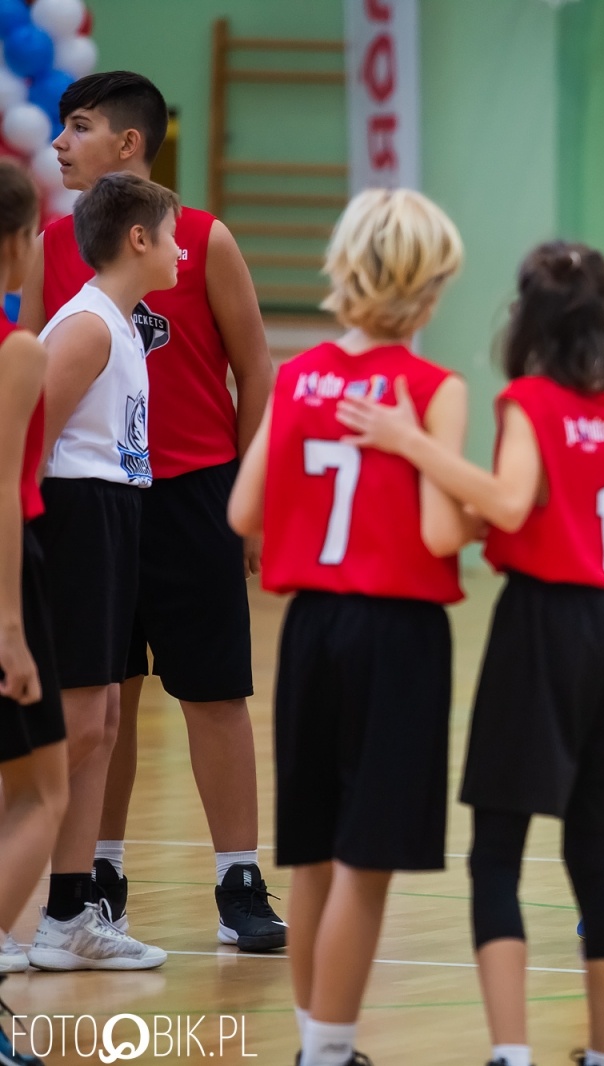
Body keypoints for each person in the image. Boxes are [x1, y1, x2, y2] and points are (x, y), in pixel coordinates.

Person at [337, 240, 604, 1066]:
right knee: (592, 853)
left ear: (527, 319)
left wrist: (411, 442)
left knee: (497, 852)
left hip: (546, 630)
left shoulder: (530, 399)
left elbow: (509, 500)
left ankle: (512, 1054)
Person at [20, 70, 282, 950]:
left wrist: (247, 496)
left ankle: (238, 878)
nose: (60, 141)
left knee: (215, 689)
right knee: (104, 696)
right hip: (88, 499)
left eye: (80, 125)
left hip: (193, 492)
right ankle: (92, 876)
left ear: (128, 144)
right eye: (59, 126)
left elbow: (258, 370)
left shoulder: (199, 240)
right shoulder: (46, 246)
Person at [228, 188, 469, 1066]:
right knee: (367, 862)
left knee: (315, 857)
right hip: (397, 635)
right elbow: (444, 533)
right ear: (431, 285)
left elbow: (243, 509)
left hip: (310, 632)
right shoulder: (432, 391)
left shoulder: (297, 377)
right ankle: (328, 1053)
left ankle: (316, 1045)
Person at [26, 173, 177, 972]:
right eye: (174, 234)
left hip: (116, 512)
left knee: (104, 724)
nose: (184, 250)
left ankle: (67, 915)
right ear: (140, 240)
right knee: (76, 726)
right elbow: (24, 437)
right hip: (77, 519)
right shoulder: (83, 326)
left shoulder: (121, 324)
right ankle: (32, 915)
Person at [0, 160, 67, 1034]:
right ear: (17, 244)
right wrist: (11, 625)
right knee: (45, 795)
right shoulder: (17, 348)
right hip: (7, 580)